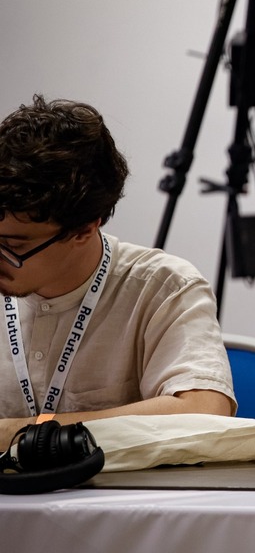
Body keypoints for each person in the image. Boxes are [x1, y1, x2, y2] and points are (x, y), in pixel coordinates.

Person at [0, 96, 235, 446]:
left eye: (14, 246)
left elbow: (204, 410)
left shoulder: (161, 287)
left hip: (116, 498)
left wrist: (22, 432)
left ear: (84, 229)